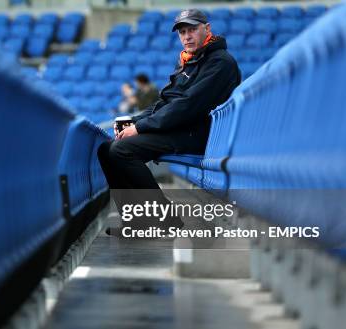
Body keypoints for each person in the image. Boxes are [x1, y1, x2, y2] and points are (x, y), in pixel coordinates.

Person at [98, 9, 241, 235]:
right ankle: (137, 221)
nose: (187, 36)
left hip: (198, 133)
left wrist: (140, 127)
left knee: (123, 150)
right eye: (182, 32)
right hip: (180, 129)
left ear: (207, 29)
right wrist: (134, 122)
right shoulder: (190, 60)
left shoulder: (220, 62)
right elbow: (165, 102)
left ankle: (164, 219)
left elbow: (187, 106)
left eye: (192, 29)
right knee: (106, 149)